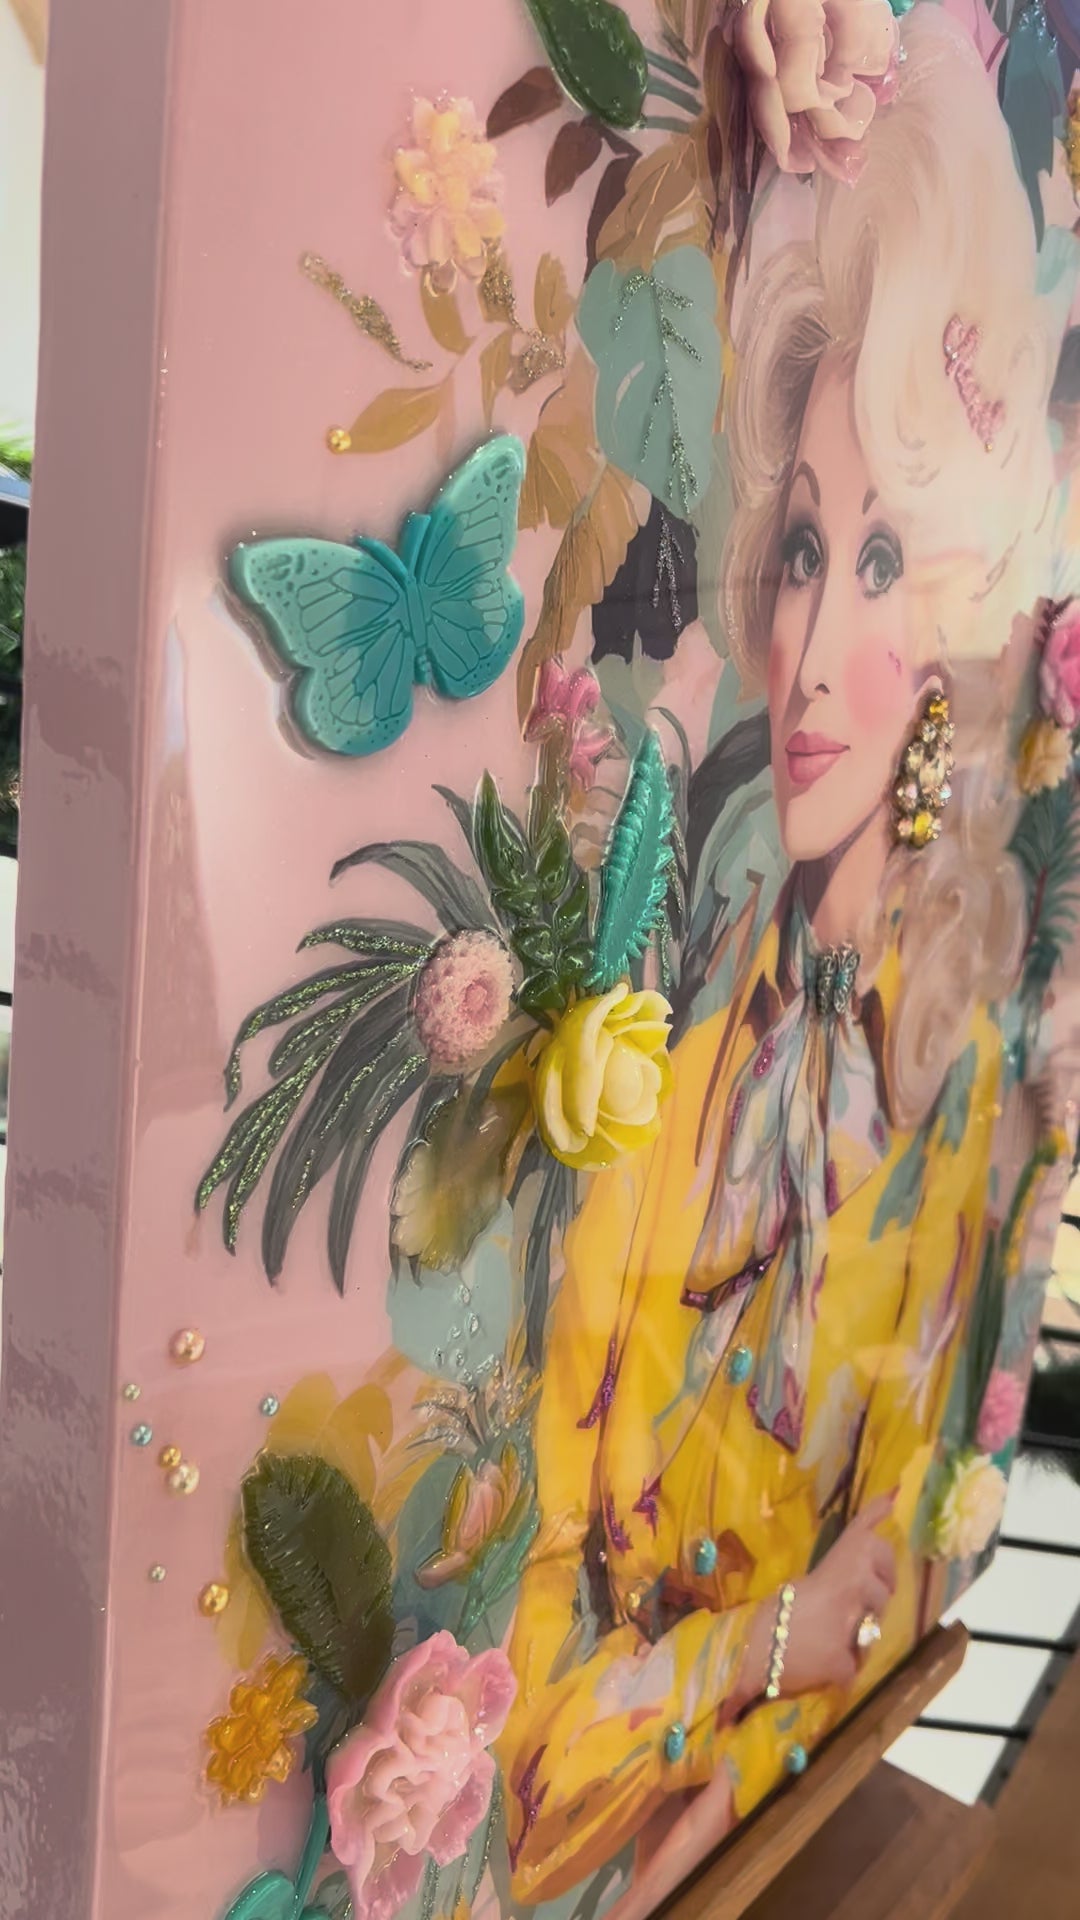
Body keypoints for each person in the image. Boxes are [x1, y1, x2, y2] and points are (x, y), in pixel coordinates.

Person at [498, 10, 1058, 1907]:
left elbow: (885, 1600)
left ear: (961, 614)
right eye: (805, 548)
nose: (808, 654)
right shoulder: (666, 1063)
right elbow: (526, 1742)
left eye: (879, 564)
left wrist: (759, 1691)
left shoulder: (947, 1100)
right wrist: (765, 1653)